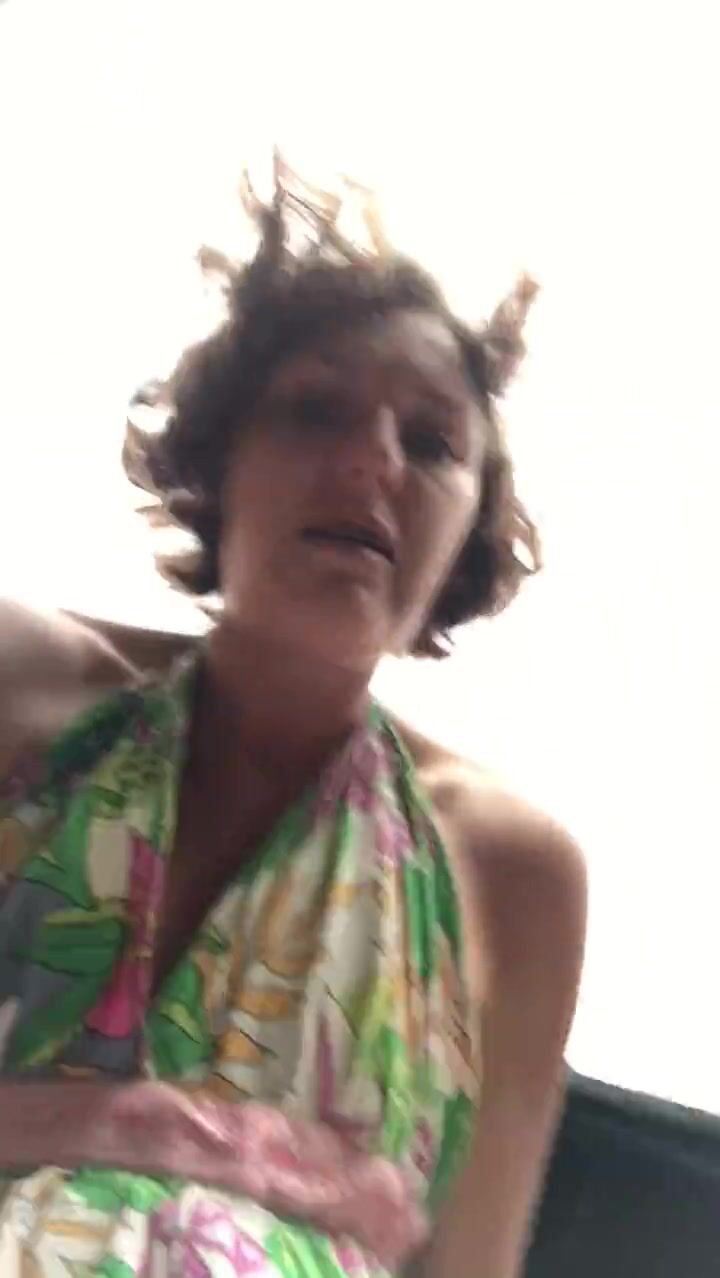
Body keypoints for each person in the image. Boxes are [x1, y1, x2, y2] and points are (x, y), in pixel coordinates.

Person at [0, 161, 586, 1277]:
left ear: (465, 536)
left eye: (432, 443)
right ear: (219, 463)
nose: (372, 462)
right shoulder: (25, 689)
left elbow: (475, 1263)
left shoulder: (513, 872)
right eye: (316, 410)